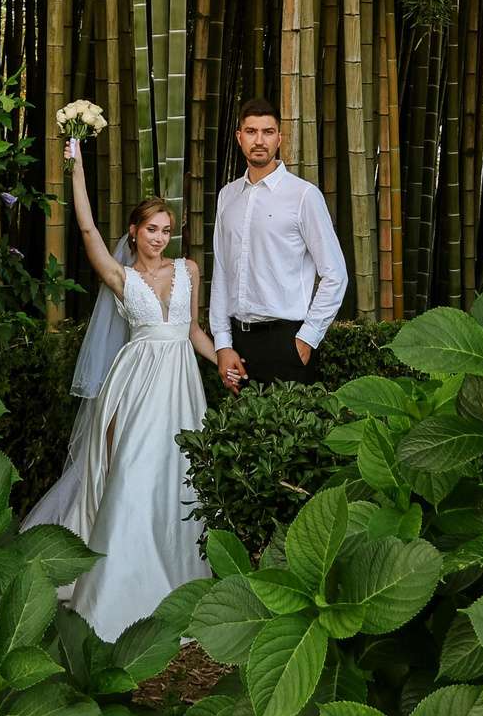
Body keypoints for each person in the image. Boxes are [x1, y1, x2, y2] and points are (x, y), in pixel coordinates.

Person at [22, 137, 218, 640]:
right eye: (152, 229)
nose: (160, 238)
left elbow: (193, 331)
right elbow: (85, 226)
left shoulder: (189, 271)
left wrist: (224, 361)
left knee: (180, 477)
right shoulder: (121, 277)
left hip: (181, 383)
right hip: (135, 382)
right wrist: (77, 168)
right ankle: (116, 591)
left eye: (167, 231)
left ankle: (179, 585)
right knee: (132, 473)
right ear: (134, 232)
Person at [208, 99, 349, 393]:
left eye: (268, 132)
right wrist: (222, 344)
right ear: (239, 137)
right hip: (239, 345)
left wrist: (307, 337)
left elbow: (335, 274)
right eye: (251, 131)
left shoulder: (303, 196)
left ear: (279, 138)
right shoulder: (227, 196)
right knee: (242, 436)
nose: (259, 141)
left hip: (288, 341)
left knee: (293, 436)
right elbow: (221, 272)